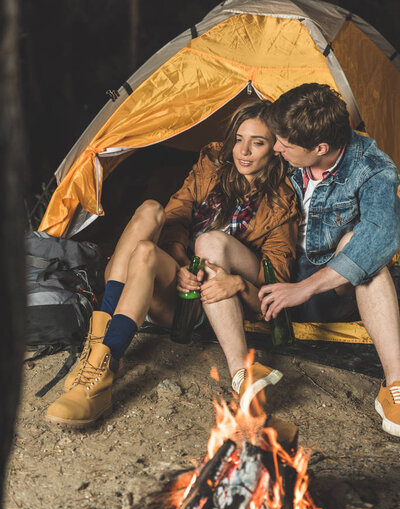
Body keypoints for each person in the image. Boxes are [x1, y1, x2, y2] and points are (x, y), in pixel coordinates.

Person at [45, 100, 299, 427]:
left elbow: (276, 282)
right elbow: (176, 213)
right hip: (169, 284)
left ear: (276, 148)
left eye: (258, 142)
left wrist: (237, 283)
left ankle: (100, 365)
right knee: (150, 216)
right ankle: (101, 358)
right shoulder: (212, 165)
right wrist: (180, 261)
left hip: (201, 306)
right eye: (239, 138)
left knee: (199, 243)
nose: (244, 151)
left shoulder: (282, 202)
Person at [258, 83, 400, 437]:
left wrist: (303, 289)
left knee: (366, 250)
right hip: (277, 273)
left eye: (285, 145)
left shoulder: (371, 167)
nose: (275, 148)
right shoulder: (285, 158)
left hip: (330, 290)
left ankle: (395, 385)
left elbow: (381, 236)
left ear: (320, 148)